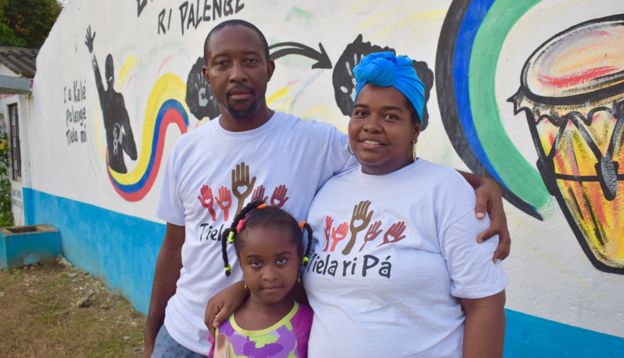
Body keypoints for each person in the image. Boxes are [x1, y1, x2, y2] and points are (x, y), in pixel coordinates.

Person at [145, 19, 510, 357]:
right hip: (183, 333)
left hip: (268, 342)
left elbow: (396, 167)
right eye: (223, 63)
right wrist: (152, 335)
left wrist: (478, 183)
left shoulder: (314, 143)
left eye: (251, 61)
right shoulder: (187, 151)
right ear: (206, 73)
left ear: (269, 69)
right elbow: (174, 246)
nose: (237, 74)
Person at [303, 52, 507, 357]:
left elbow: (485, 304)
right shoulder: (328, 193)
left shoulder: (447, 192)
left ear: (416, 128)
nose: (371, 126)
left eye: (390, 116)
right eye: (361, 113)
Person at [208, 201, 313, 357]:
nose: (269, 275)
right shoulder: (222, 323)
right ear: (241, 263)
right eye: (256, 263)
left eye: (281, 260)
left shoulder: (309, 324)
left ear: (299, 256)